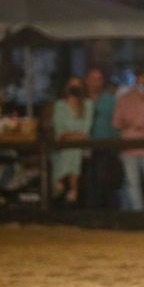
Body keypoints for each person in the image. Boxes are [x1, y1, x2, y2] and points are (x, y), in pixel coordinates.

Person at [113, 67, 144, 211]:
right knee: (133, 183)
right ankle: (138, 214)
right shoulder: (123, 99)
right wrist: (132, 126)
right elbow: (116, 123)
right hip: (130, 146)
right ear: (139, 78)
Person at [50, 77, 93, 206]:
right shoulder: (59, 105)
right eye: (72, 86)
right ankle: (73, 190)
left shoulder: (88, 105)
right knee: (71, 150)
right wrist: (73, 136)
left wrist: (72, 136)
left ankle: (60, 182)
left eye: (77, 86)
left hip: (81, 147)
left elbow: (85, 131)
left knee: (74, 149)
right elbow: (60, 132)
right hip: (63, 146)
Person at [83, 67, 121, 209]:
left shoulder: (111, 101)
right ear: (86, 81)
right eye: (93, 79)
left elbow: (117, 123)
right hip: (83, 148)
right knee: (88, 181)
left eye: (99, 79)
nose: (96, 83)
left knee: (105, 181)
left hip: (106, 147)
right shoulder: (80, 101)